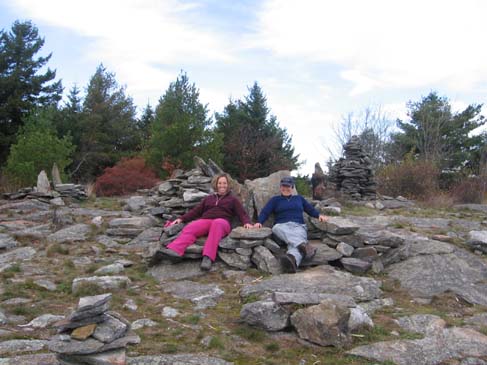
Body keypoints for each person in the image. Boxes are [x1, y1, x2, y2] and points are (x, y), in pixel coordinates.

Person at [155, 173, 252, 271]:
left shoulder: (233, 199)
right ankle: (175, 250)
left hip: (222, 223)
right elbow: (195, 211)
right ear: (216, 185)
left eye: (224, 183)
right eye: (220, 183)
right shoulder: (208, 199)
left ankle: (208, 257)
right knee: (191, 227)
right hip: (206, 220)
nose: (222, 185)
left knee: (217, 223)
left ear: (228, 185)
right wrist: (182, 218)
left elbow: (242, 213)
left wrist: (246, 222)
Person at [253, 176, 328, 273]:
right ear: (280, 187)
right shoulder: (275, 200)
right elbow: (265, 212)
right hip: (282, 227)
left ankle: (292, 261)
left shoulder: (299, 199)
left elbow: (310, 209)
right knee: (276, 228)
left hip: (298, 226)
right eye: (283, 186)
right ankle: (304, 246)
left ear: (292, 187)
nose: (285, 189)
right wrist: (259, 222)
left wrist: (318, 216)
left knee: (294, 246)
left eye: (288, 186)